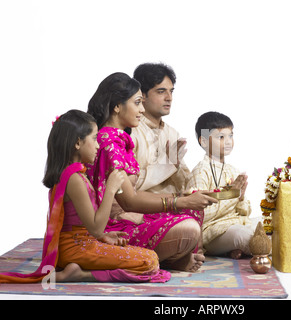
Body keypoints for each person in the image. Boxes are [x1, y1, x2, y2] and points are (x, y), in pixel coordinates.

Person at [0, 110, 170, 284]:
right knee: (148, 262)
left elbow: (89, 227)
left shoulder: (76, 174)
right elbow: (95, 227)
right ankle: (80, 275)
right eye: (95, 138)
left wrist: (103, 236)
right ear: (78, 143)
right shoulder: (74, 179)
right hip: (75, 249)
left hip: (81, 244)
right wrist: (110, 189)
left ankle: (80, 268)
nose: (98, 146)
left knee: (149, 257)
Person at [86, 72, 218, 272]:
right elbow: (129, 200)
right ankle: (168, 260)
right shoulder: (109, 143)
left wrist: (184, 197)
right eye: (138, 103)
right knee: (189, 227)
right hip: (113, 226)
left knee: (193, 210)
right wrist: (178, 201)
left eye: (171, 92)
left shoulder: (122, 140)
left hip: (133, 214)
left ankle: (170, 258)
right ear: (117, 106)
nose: (141, 109)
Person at [186, 112, 253, 259]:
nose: (228, 141)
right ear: (203, 141)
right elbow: (199, 216)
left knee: (269, 225)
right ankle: (239, 247)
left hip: (237, 222)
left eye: (231, 136)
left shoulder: (233, 170)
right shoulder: (200, 171)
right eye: (221, 137)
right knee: (244, 236)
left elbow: (245, 212)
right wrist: (233, 197)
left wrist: (240, 198)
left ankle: (233, 250)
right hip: (213, 231)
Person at [130, 62, 190, 194]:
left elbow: (186, 185)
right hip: (142, 210)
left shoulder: (172, 134)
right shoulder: (130, 132)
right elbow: (126, 189)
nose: (169, 98)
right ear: (142, 95)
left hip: (175, 207)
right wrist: (166, 165)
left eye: (171, 91)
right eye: (161, 91)